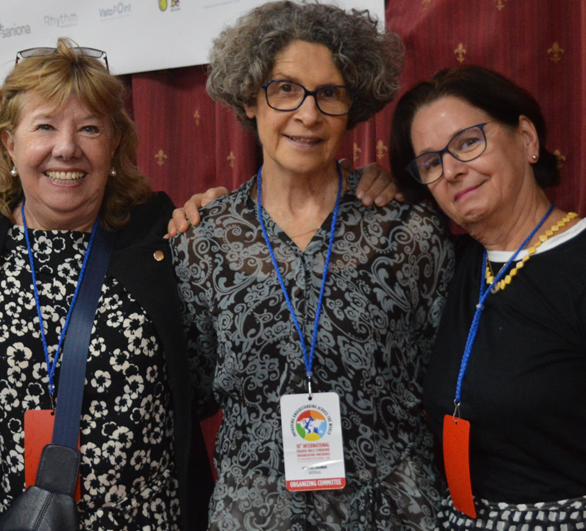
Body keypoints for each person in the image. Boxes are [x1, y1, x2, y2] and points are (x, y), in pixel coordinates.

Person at [171, 2, 455, 529]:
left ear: (354, 108)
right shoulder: (201, 241)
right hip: (254, 517)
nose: (308, 114)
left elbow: (447, 381)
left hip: (392, 514)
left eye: (330, 93)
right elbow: (192, 391)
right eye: (285, 89)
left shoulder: (407, 230)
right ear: (249, 100)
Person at [0, 38, 216, 531]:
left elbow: (208, 382)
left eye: (90, 128)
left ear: (114, 144)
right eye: (44, 126)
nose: (67, 148)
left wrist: (231, 216)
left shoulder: (162, 233)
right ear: (8, 144)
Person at [390, 65, 586, 529]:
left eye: (468, 142)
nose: (453, 171)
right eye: (432, 162)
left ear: (526, 139)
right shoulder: (449, 263)